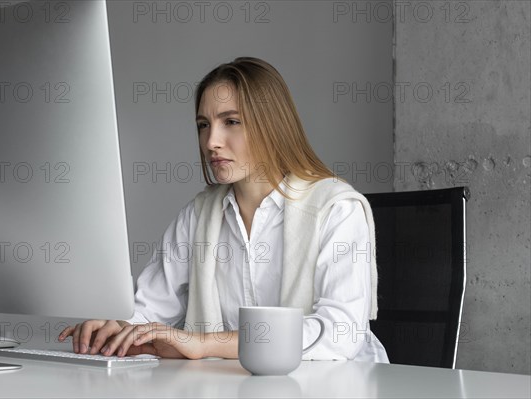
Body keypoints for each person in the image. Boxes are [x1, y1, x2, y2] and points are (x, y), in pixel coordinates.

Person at [59, 57, 389, 362]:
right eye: (203, 124)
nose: (211, 141)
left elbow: (339, 333)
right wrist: (116, 328)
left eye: (231, 121)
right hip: (237, 386)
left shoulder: (337, 209)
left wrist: (205, 344)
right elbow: (149, 312)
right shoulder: (198, 215)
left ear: (271, 125)